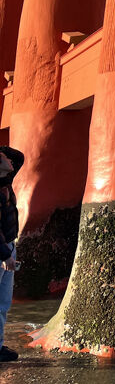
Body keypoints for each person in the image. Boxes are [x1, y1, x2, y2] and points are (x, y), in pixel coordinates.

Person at [0, 146, 24, 363]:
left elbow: (19, 157)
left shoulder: (5, 181)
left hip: (8, 246)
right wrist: (6, 255)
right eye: (3, 157)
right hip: (2, 251)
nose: (10, 159)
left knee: (3, 303)